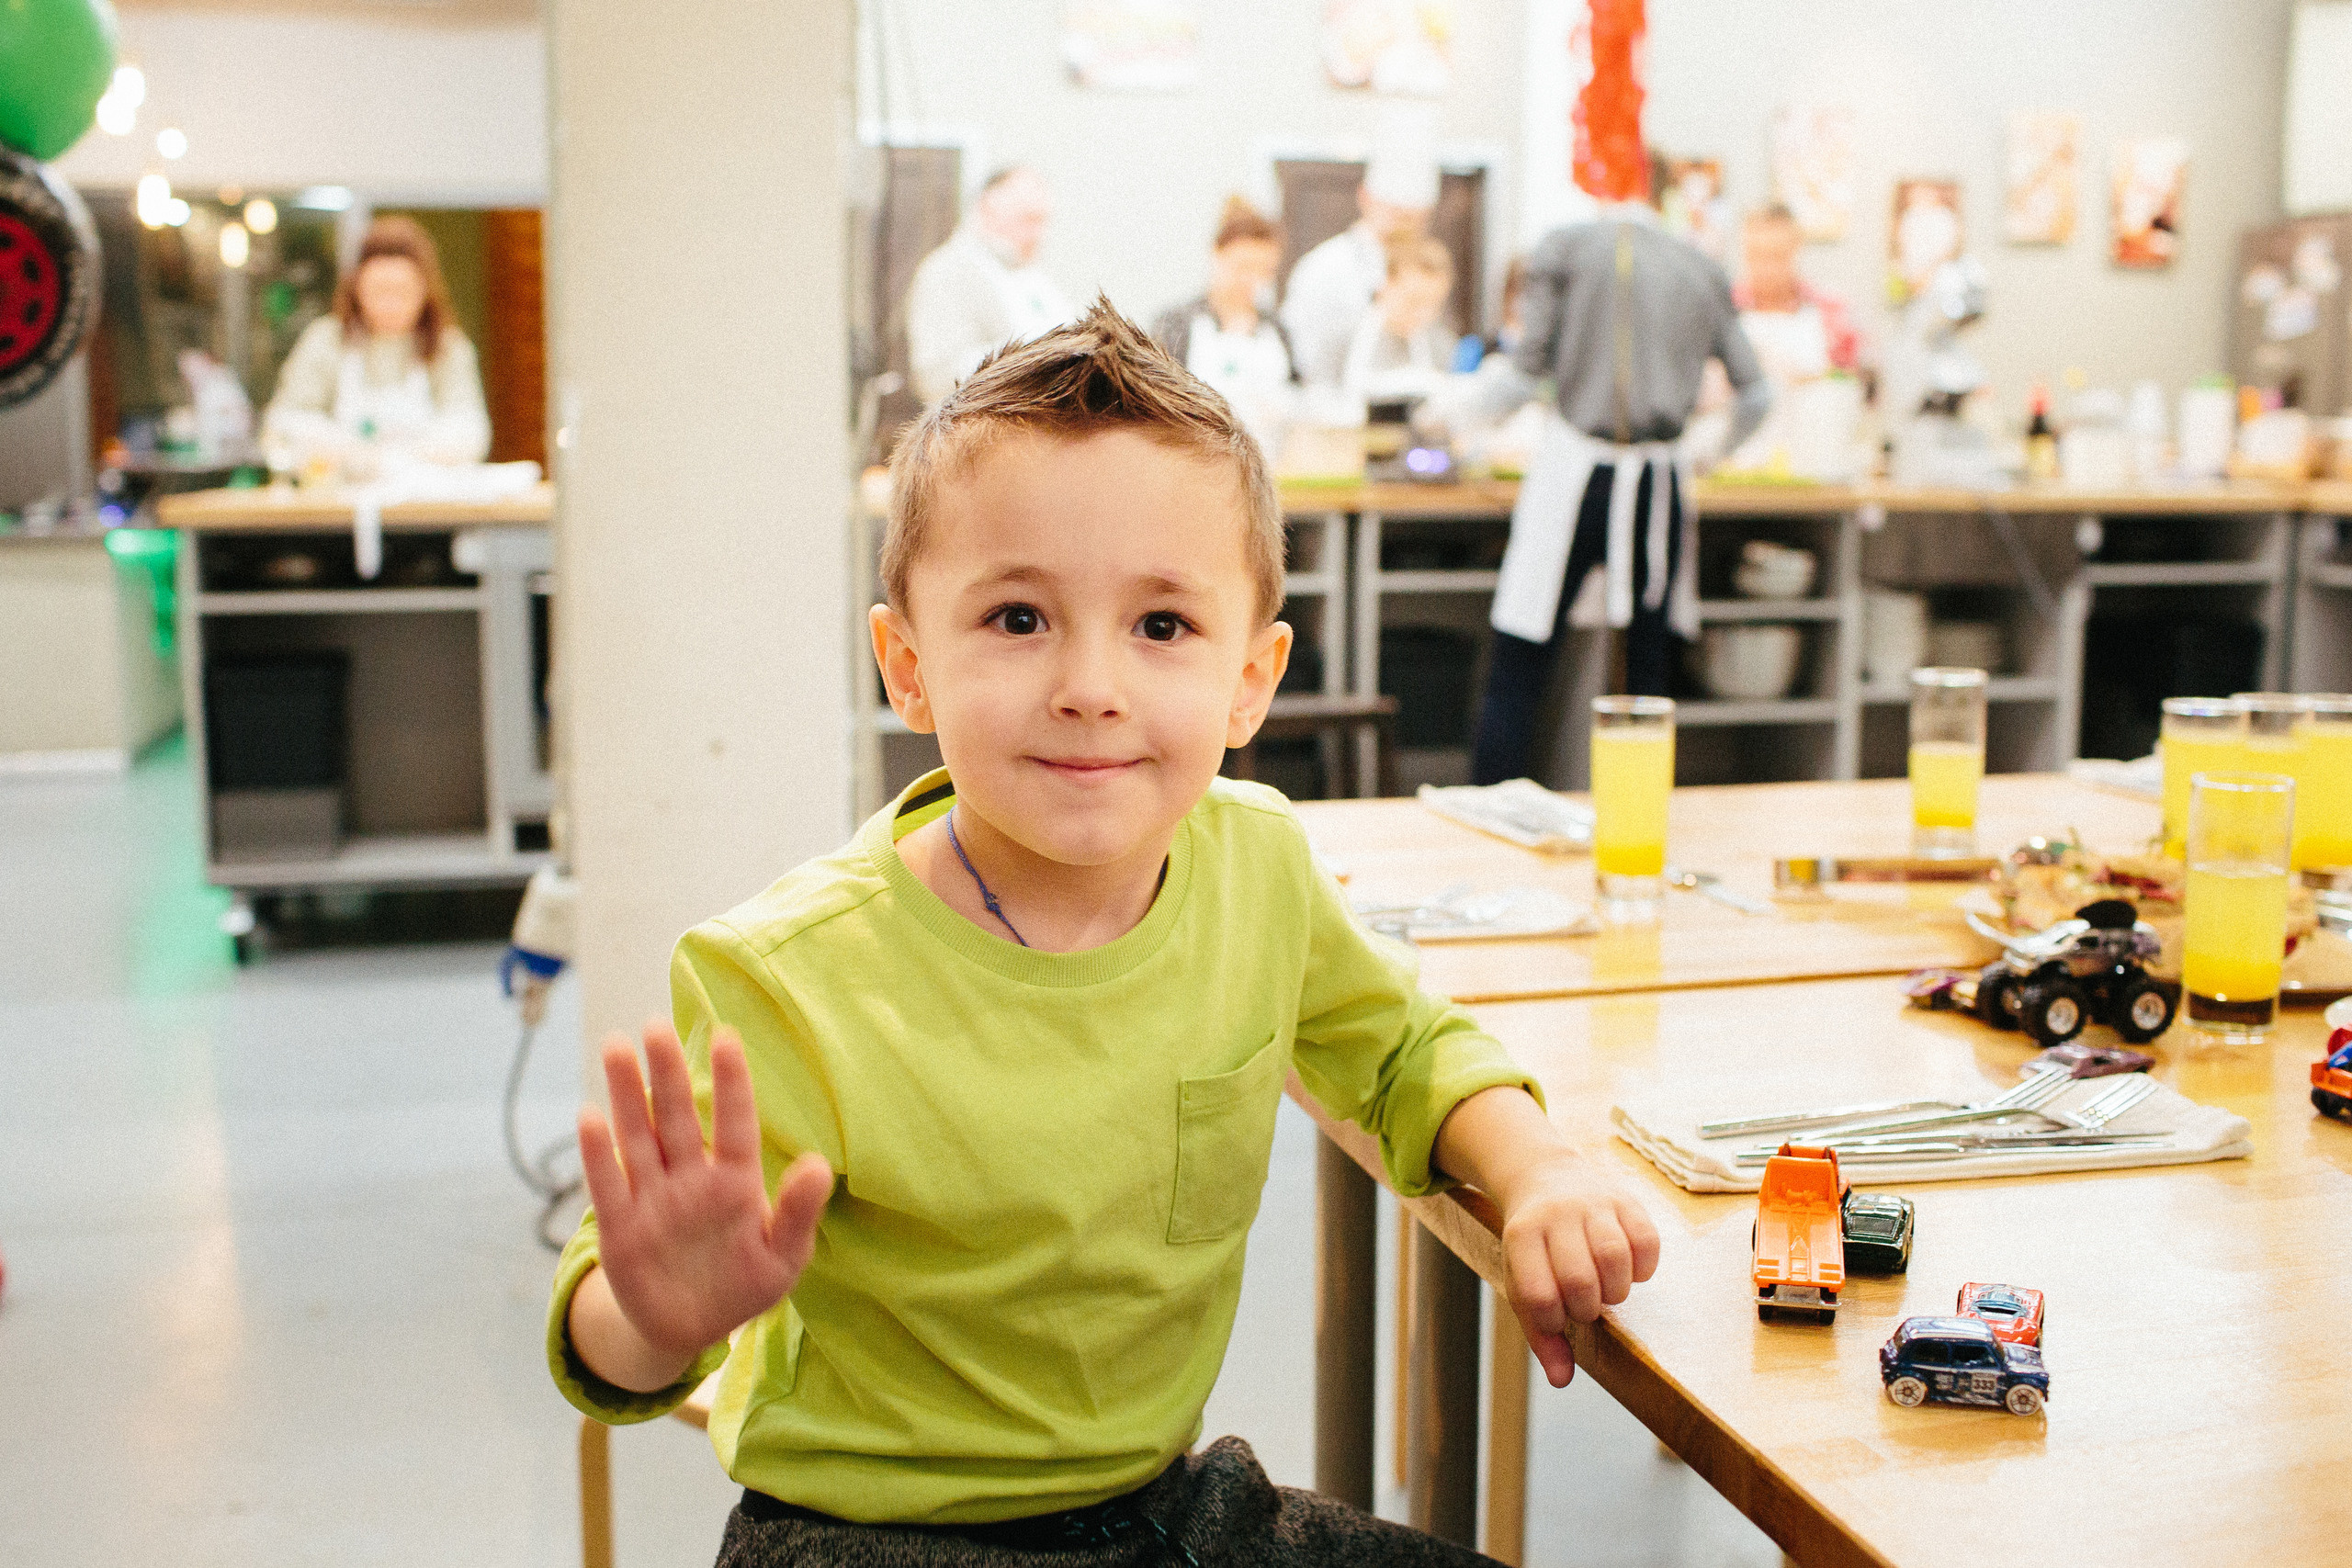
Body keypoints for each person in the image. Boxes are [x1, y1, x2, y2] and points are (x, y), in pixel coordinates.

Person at [548, 301, 1660, 1565]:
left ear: (1251, 676)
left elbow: (1403, 1052)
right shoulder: (790, 977)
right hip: (869, 1536)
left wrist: (1536, 1167)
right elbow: (612, 1328)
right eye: (1017, 618)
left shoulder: (1258, 868)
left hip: (1163, 1511)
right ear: (906, 663)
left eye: (1163, 625)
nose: (1091, 684)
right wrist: (652, 1318)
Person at [1447, 153, 1770, 785]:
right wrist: (1707, 451)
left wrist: (1450, 421)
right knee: (1647, 672)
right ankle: (1640, 817)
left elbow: (1524, 371)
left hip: (1576, 478)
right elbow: (1756, 396)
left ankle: (1489, 806)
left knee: (1522, 653)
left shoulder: (1566, 248)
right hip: (1660, 483)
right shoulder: (1700, 268)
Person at [262, 215, 490, 470]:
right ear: (357, 288)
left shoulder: (448, 347)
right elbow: (285, 422)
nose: (390, 304)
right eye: (379, 290)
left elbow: (469, 429)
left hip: (425, 501)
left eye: (402, 292)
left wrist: (411, 456)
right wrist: (349, 453)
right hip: (341, 501)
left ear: (425, 291)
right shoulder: (326, 340)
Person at [905, 166, 1077, 405]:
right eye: (1028, 219)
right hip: (983, 430)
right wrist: (1035, 360)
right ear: (987, 209)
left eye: (1043, 222)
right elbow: (938, 376)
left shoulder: (1028, 276)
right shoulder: (948, 271)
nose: (1038, 235)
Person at [1148, 196, 1298, 455]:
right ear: (1216, 254)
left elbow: (1298, 395)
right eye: (1243, 267)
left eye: (1264, 271)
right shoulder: (1178, 324)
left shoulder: (1277, 330)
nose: (1251, 281)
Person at [1281, 145, 1437, 391]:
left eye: (1415, 217)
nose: (1405, 226)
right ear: (1365, 198)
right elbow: (1299, 361)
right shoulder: (1323, 268)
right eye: (1397, 213)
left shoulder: (1430, 271)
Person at [1340, 234, 1457, 411]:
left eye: (1434, 305)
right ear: (1386, 285)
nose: (1423, 314)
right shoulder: (1344, 335)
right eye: (1414, 301)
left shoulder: (1441, 344)